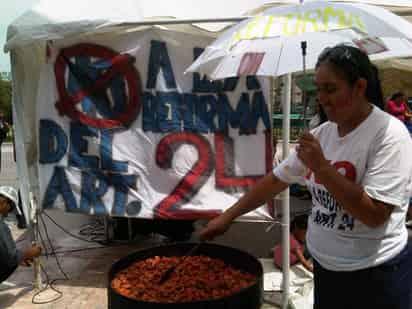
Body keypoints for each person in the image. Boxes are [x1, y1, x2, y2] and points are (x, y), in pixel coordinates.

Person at [200, 45, 412, 309]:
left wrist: (322, 168)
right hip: (326, 269)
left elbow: (375, 215)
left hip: (374, 276)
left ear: (359, 87)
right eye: (319, 89)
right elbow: (276, 180)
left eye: (331, 89)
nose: (322, 98)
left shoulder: (390, 135)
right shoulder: (323, 133)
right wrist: (228, 216)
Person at [0, 186, 41, 283]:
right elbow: (11, 257)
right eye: (10, 209)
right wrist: (29, 253)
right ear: (3, 202)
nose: (7, 214)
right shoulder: (2, 226)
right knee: (11, 262)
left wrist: (20, 258)